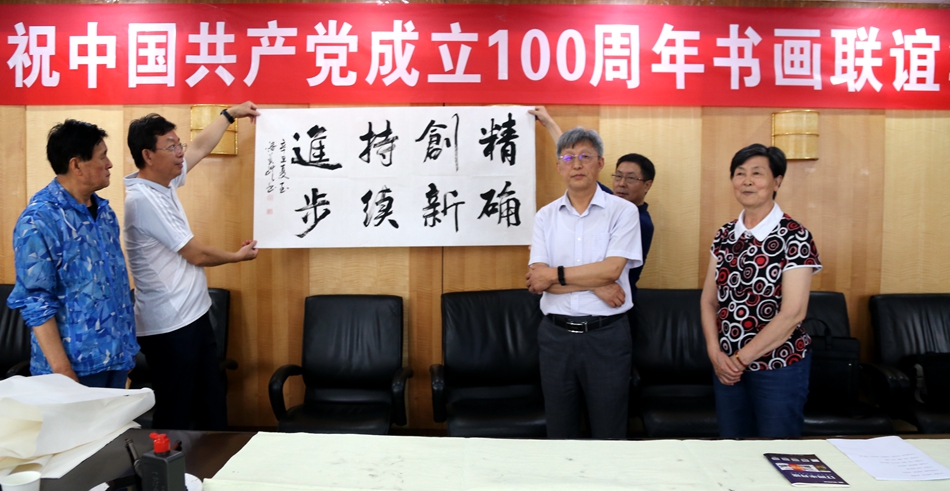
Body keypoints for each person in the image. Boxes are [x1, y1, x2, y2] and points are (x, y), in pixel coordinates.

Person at [124, 102, 260, 430]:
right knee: (178, 412)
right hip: (170, 326)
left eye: (178, 144)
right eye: (171, 146)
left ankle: (213, 461)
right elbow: (196, 254)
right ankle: (169, 464)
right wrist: (236, 257)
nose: (180, 152)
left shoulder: (163, 183)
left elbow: (199, 147)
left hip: (192, 315)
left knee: (211, 404)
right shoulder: (143, 200)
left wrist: (229, 115)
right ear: (148, 155)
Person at [526, 127, 642, 439]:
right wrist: (595, 283)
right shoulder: (545, 216)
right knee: (560, 432)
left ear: (600, 163)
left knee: (609, 432)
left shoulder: (623, 211)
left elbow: (612, 269)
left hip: (607, 337)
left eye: (585, 156)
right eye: (568, 158)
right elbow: (537, 280)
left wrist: (557, 275)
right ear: (559, 166)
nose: (576, 164)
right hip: (555, 338)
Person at [699, 143, 821, 438]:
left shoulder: (795, 236)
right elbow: (708, 301)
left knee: (778, 451)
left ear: (777, 181)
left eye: (757, 173)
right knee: (732, 448)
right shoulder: (725, 234)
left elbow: (793, 313)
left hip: (779, 366)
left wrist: (740, 360)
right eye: (740, 173)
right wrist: (715, 353)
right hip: (726, 367)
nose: (747, 181)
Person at [7, 120, 137, 388]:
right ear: (76, 165)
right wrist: (63, 372)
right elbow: (36, 302)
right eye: (102, 156)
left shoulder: (105, 213)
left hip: (117, 360)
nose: (110, 164)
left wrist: (126, 354)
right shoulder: (39, 220)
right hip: (73, 370)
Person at [530, 106, 655, 301]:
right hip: (583, 301)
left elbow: (611, 272)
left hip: (616, 300)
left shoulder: (635, 218)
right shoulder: (551, 213)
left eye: (631, 178)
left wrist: (551, 275)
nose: (621, 184)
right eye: (618, 176)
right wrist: (595, 286)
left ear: (647, 185)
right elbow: (575, 166)